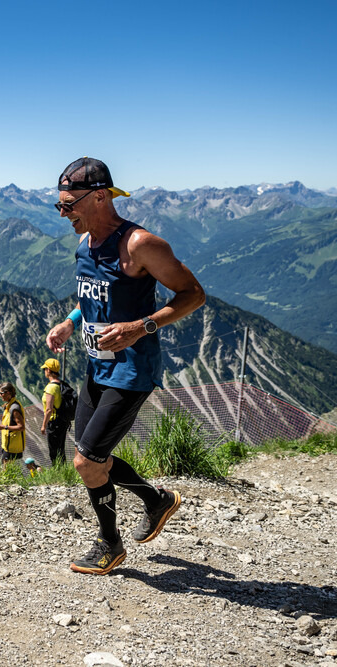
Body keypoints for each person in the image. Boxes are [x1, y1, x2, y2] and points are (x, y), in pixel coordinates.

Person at [45, 157, 205, 576]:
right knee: (93, 456)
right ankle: (156, 501)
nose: (63, 214)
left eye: (68, 205)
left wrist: (142, 325)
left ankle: (109, 544)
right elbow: (90, 300)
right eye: (59, 206)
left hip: (132, 369)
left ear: (100, 196)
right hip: (97, 366)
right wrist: (69, 323)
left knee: (86, 461)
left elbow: (193, 294)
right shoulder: (85, 246)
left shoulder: (139, 245)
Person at [39, 358, 70, 466]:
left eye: (45, 369)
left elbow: (48, 409)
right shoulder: (61, 384)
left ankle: (58, 472)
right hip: (62, 421)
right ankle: (63, 472)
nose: (44, 372)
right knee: (60, 449)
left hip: (54, 423)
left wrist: (43, 425)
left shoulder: (51, 387)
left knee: (54, 451)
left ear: (48, 370)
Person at [0, 382, 25, 463]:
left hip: (12, 447)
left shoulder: (14, 408)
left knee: (6, 471)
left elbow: (21, 427)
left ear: (8, 393)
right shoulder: (10, 405)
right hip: (8, 445)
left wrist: (3, 427)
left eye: (1, 393)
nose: (0, 395)